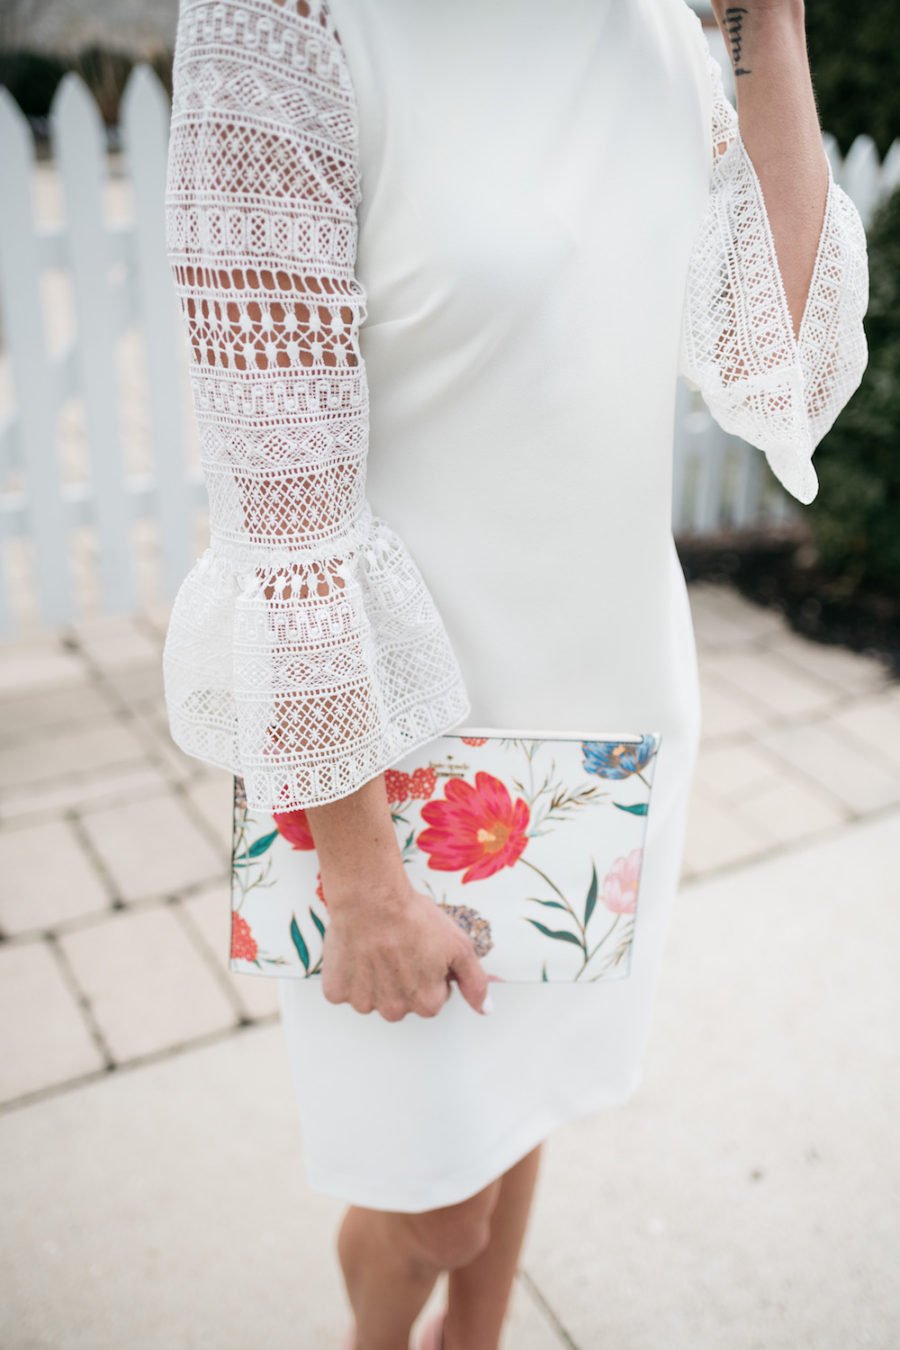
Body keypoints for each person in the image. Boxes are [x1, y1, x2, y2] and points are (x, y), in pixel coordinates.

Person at [161, 1, 869, 1346]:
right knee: (438, 1206)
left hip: (611, 715)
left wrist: (768, 23)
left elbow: (781, 367)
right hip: (391, 762)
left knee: (526, 1107)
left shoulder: (658, 24)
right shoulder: (285, 18)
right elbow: (283, 504)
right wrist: (358, 865)